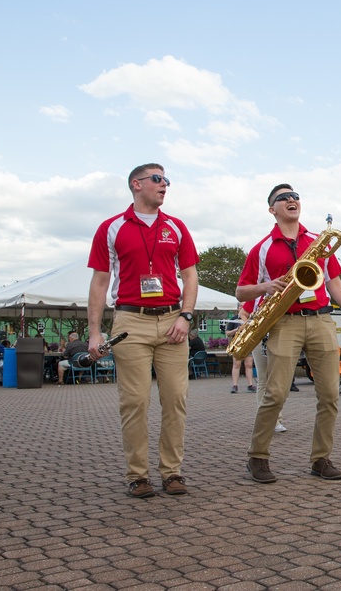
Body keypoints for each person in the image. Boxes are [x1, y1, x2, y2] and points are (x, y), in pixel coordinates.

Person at [236, 184, 341, 484]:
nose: (292, 200)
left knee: (330, 394)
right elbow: (241, 290)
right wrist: (265, 287)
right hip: (284, 322)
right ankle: (258, 456)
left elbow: (334, 283)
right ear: (272, 209)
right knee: (276, 392)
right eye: (284, 198)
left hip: (321, 320)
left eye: (295, 196)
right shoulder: (262, 248)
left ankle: (321, 459)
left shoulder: (318, 242)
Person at [87, 163, 199, 498]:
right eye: (158, 179)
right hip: (130, 320)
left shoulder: (176, 227)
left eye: (167, 180)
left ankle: (172, 472)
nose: (165, 185)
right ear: (137, 184)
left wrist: (187, 316)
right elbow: (100, 281)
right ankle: (138, 474)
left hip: (171, 321)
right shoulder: (111, 228)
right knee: (135, 401)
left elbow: (190, 276)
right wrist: (95, 332)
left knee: (175, 399)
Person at [225, 306, 256, 394]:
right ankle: (235, 385)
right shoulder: (234, 319)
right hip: (237, 344)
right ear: (238, 308)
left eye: (244, 306)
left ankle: (250, 385)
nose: (242, 308)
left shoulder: (250, 318)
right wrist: (237, 329)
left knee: (249, 365)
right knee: (236, 364)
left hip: (248, 344)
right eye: (241, 306)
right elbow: (228, 333)